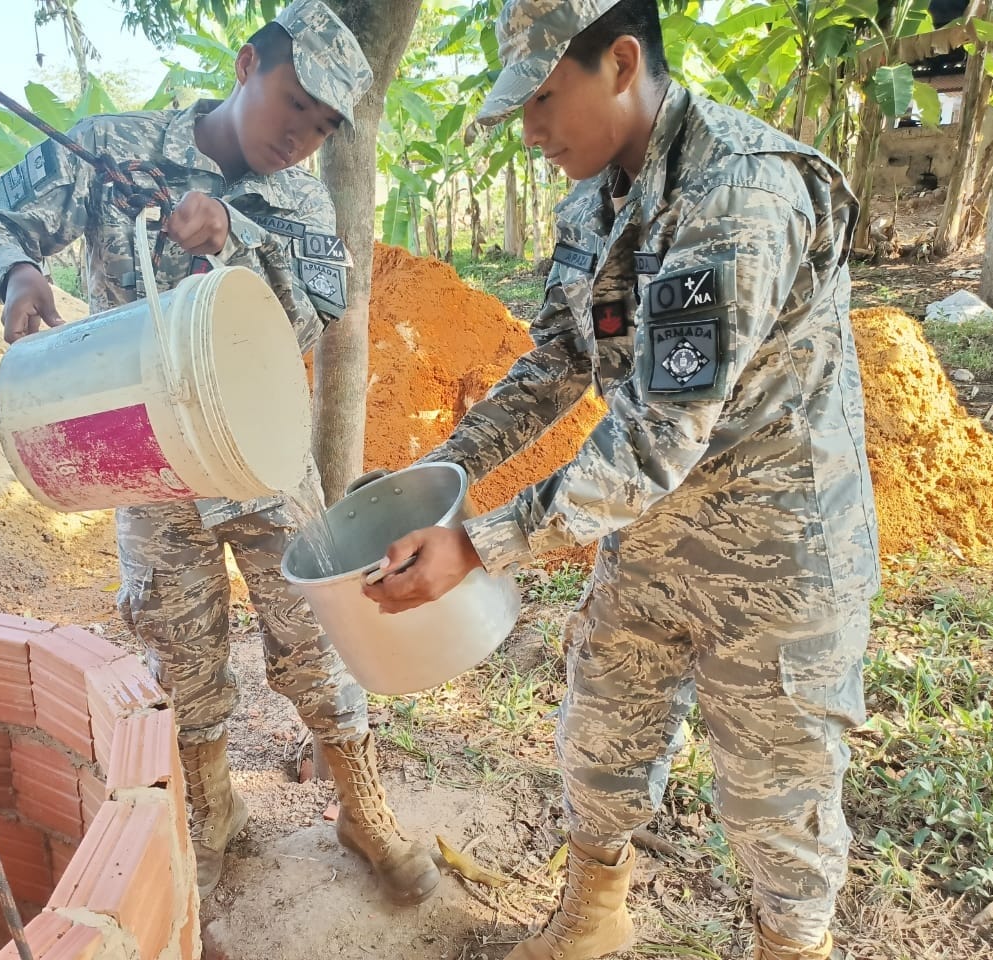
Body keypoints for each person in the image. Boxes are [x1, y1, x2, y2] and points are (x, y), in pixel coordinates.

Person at [361, 0, 880, 956]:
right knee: (601, 737)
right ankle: (593, 920)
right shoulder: (591, 201)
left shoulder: (741, 193)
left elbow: (655, 438)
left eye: (546, 99)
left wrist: (476, 544)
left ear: (624, 61)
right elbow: (558, 360)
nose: (531, 131)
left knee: (777, 802)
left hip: (776, 558)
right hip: (647, 539)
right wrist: (446, 468)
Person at [0, 0, 439, 907]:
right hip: (150, 457)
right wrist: (18, 274)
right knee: (180, 646)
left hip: (261, 451)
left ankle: (362, 809)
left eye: (324, 127)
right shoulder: (113, 147)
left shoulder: (299, 194)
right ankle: (213, 816)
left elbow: (326, 298)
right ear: (249, 63)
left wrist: (240, 237)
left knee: (315, 631)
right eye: (294, 106)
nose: (302, 137)